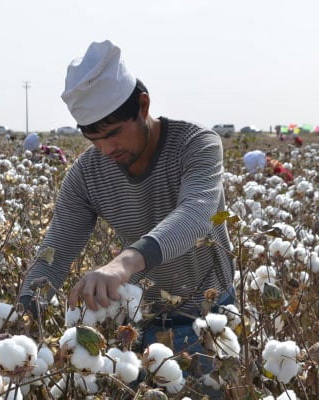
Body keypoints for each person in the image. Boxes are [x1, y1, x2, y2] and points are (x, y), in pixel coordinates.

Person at [19, 40, 234, 377]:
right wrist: (23, 318)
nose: (107, 149)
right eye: (95, 140)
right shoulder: (88, 174)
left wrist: (123, 264)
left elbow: (197, 213)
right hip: (142, 322)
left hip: (211, 319)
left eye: (114, 133)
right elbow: (55, 252)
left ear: (143, 106)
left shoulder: (196, 145)